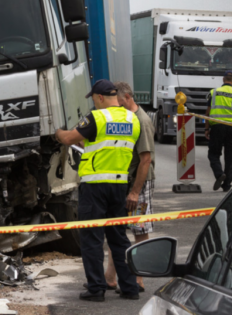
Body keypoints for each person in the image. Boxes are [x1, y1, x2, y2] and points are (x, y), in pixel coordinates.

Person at [54, 79, 141, 302]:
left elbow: (69, 138)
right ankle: (130, 287)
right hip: (119, 186)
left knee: (92, 238)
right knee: (119, 239)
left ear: (100, 97)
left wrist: (57, 131)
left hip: (94, 187)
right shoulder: (133, 119)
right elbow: (110, 144)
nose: (94, 103)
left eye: (94, 99)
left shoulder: (97, 117)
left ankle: (96, 289)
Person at [99, 81, 154, 293]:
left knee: (139, 230)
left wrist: (135, 191)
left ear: (129, 98)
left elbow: (146, 159)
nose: (116, 107)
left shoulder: (142, 120)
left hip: (139, 184)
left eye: (119, 103)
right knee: (117, 229)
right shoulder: (128, 118)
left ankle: (139, 279)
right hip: (125, 183)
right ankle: (110, 277)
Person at [204, 71, 232, 192]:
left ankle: (219, 174)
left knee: (213, 154)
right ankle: (227, 185)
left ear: (223, 79)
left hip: (216, 127)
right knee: (230, 156)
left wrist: (207, 129)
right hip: (231, 128)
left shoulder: (214, 92)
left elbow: (207, 113)